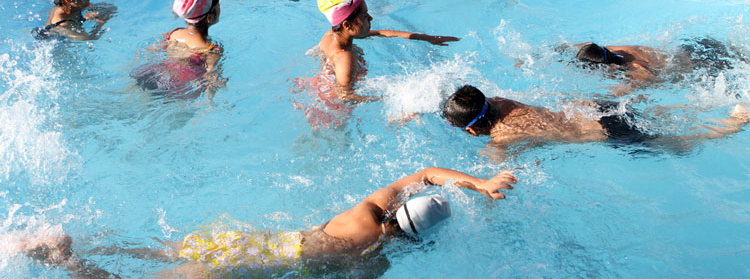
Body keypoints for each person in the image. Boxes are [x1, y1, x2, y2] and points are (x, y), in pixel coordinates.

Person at [10, 167, 517, 278]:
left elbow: (423, 174)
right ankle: (64, 259)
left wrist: (477, 183)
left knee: (157, 252)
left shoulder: (368, 210)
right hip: (245, 267)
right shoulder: (373, 258)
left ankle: (69, 245)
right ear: (411, 239)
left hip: (250, 241)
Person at [442, 84, 750, 151]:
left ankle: (736, 123)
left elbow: (497, 162)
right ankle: (717, 103)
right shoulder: (500, 101)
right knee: (655, 116)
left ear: (472, 130)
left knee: (677, 143)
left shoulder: (502, 138)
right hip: (594, 107)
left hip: (607, 133)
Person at [315, 0, 459, 102]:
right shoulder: (345, 57)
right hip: (335, 111)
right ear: (347, 25)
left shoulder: (331, 35)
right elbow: (344, 96)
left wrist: (426, 38)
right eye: (365, 15)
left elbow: (380, 33)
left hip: (321, 92)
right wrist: (393, 98)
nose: (371, 18)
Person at [131, 0, 225, 98]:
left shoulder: (174, 33)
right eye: (218, 6)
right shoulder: (211, 50)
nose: (220, 9)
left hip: (151, 73)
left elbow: (152, 49)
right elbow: (210, 78)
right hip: (174, 86)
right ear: (209, 17)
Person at [573, 39, 746, 96]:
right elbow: (586, 46)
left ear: (607, 68)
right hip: (695, 46)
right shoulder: (613, 50)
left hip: (705, 63)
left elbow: (635, 87)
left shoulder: (638, 69)